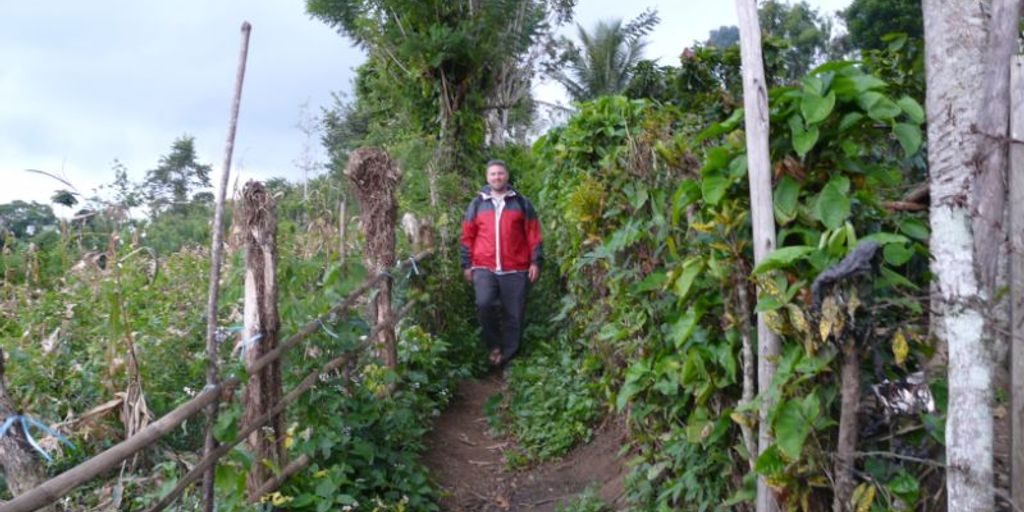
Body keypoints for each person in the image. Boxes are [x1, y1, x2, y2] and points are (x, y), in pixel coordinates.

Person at [460, 159, 542, 369]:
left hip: (516, 268)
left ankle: (508, 358)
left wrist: (535, 261)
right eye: (493, 174)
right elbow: (467, 236)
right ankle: (494, 346)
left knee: (514, 314)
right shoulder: (477, 204)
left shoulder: (522, 202)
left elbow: (533, 234)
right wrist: (466, 265)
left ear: (507, 176)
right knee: (484, 304)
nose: (497, 177)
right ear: (487, 178)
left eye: (500, 173)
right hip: (484, 267)